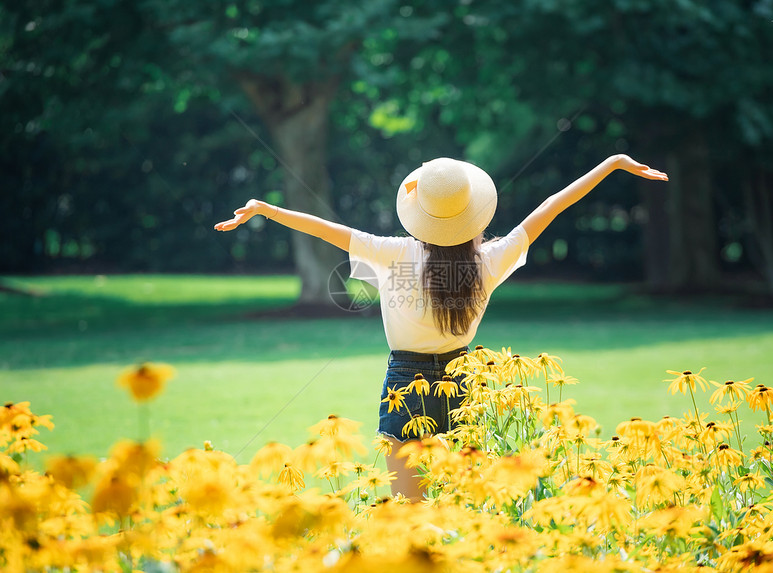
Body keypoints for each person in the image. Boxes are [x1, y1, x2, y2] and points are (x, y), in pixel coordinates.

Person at [215, 154, 668, 500]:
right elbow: (551, 208)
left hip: (404, 384)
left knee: (409, 517)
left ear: (421, 214)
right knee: (462, 513)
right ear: (473, 212)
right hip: (465, 384)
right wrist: (612, 164)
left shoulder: (394, 253)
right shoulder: (489, 260)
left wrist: (265, 209)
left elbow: (326, 229)